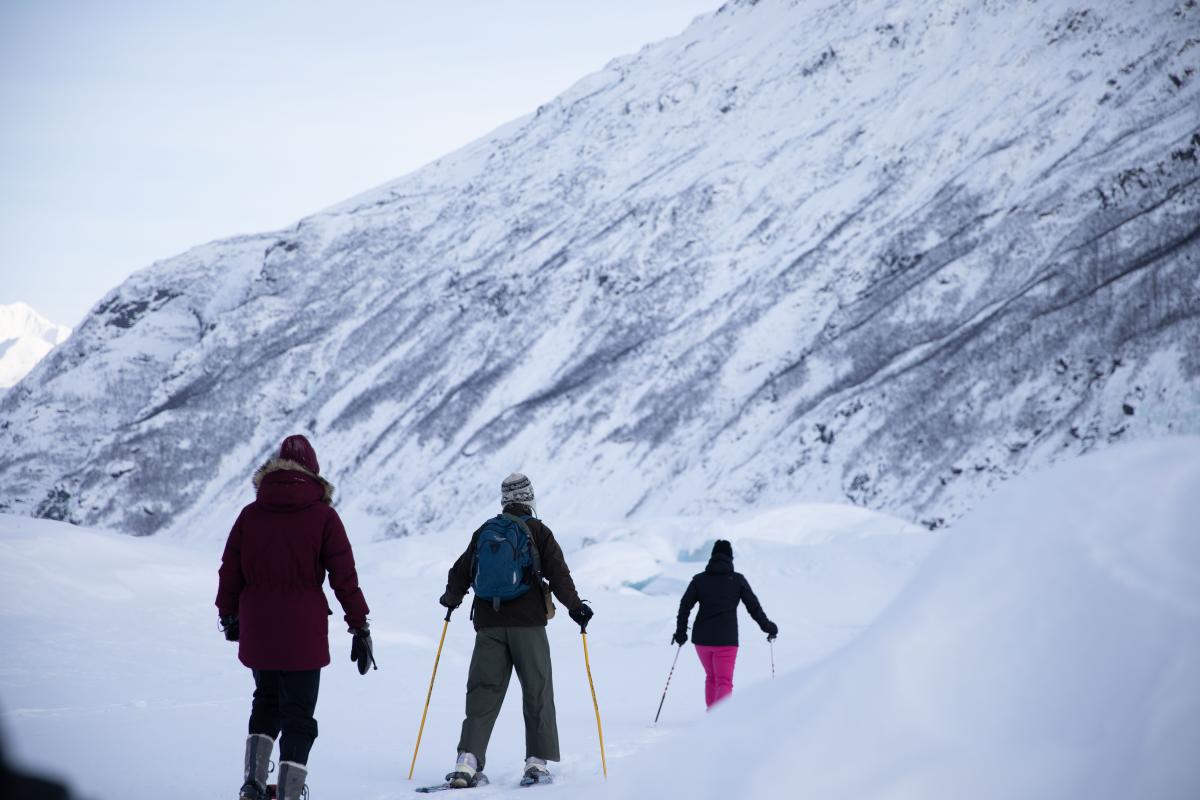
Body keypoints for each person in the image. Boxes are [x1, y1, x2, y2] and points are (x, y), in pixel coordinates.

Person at [216, 435, 373, 800]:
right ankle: (288, 793)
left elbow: (230, 569)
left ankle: (253, 784)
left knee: (265, 701)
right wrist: (359, 623)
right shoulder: (323, 516)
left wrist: (228, 613)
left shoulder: (250, 515)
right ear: (313, 471)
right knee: (299, 715)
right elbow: (344, 577)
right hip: (304, 630)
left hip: (259, 627)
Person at [438, 473, 593, 788]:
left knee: (482, 691)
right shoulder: (539, 531)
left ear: (505, 501)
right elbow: (559, 575)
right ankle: (536, 763)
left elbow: (461, 570)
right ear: (529, 499)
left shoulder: (485, 531)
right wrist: (576, 607)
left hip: (488, 624)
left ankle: (467, 762)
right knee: (537, 691)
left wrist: (451, 600)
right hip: (528, 625)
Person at [674, 539, 777, 709]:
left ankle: (711, 717)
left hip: (702, 640)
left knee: (711, 677)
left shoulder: (699, 580)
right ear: (730, 558)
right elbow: (753, 607)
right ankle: (719, 721)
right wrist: (768, 627)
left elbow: (685, 605)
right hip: (726, 640)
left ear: (712, 556)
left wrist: (681, 632)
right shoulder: (737, 580)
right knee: (724, 681)